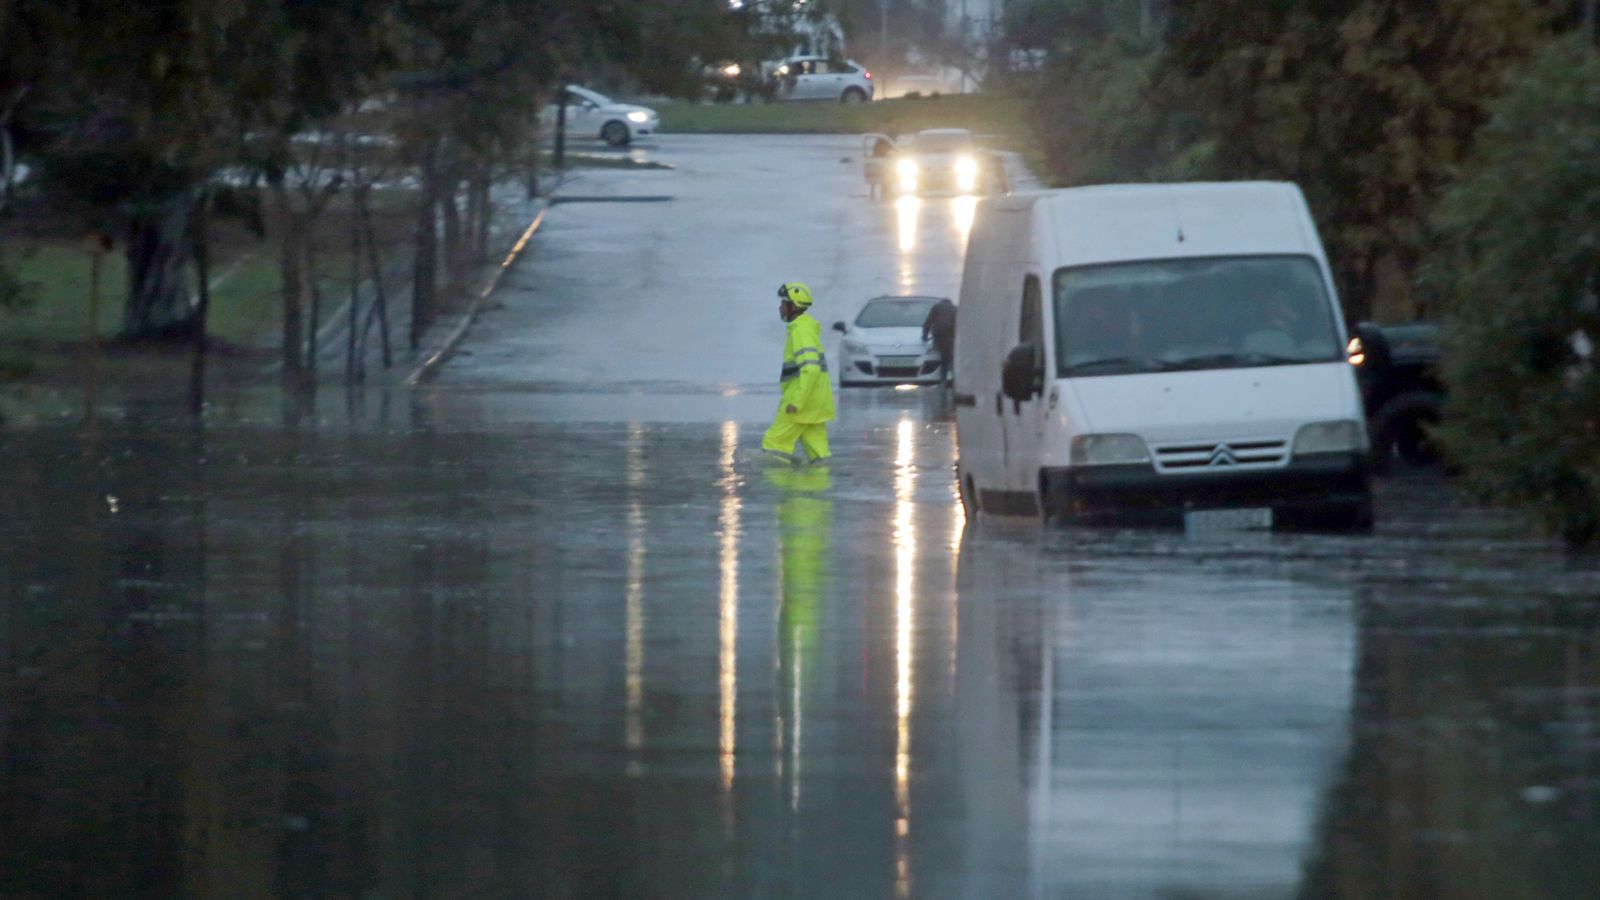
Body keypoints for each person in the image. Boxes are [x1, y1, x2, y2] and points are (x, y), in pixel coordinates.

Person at [762, 282, 836, 465]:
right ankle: (816, 489)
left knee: (774, 446)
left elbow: (811, 370)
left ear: (793, 306)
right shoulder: (804, 329)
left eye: (783, 303)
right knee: (820, 456)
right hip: (815, 401)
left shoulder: (801, 331)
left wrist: (797, 402)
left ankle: (783, 489)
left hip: (800, 400)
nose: (780, 308)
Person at [921, 298, 957, 385]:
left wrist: (925, 336)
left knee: (944, 359)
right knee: (950, 358)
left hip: (939, 336)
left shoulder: (936, 307)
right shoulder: (955, 308)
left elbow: (928, 323)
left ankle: (943, 380)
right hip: (951, 336)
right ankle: (953, 380)